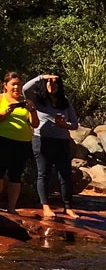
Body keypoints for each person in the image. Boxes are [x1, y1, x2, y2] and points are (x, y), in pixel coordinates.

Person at [24, 72, 79, 221]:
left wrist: (65, 125)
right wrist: (41, 77)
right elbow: (24, 89)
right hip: (42, 140)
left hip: (61, 141)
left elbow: (75, 124)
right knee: (44, 173)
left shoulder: (65, 102)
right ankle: (46, 206)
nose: (52, 85)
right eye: (49, 82)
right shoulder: (38, 99)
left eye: (55, 82)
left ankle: (68, 207)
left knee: (65, 174)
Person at [0, 72, 35, 216]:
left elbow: (35, 124)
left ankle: (12, 207)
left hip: (22, 142)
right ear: (5, 85)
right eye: (13, 84)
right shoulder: (1, 98)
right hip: (3, 139)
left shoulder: (26, 101)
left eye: (19, 84)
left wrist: (32, 110)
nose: (16, 87)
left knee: (16, 175)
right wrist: (6, 112)